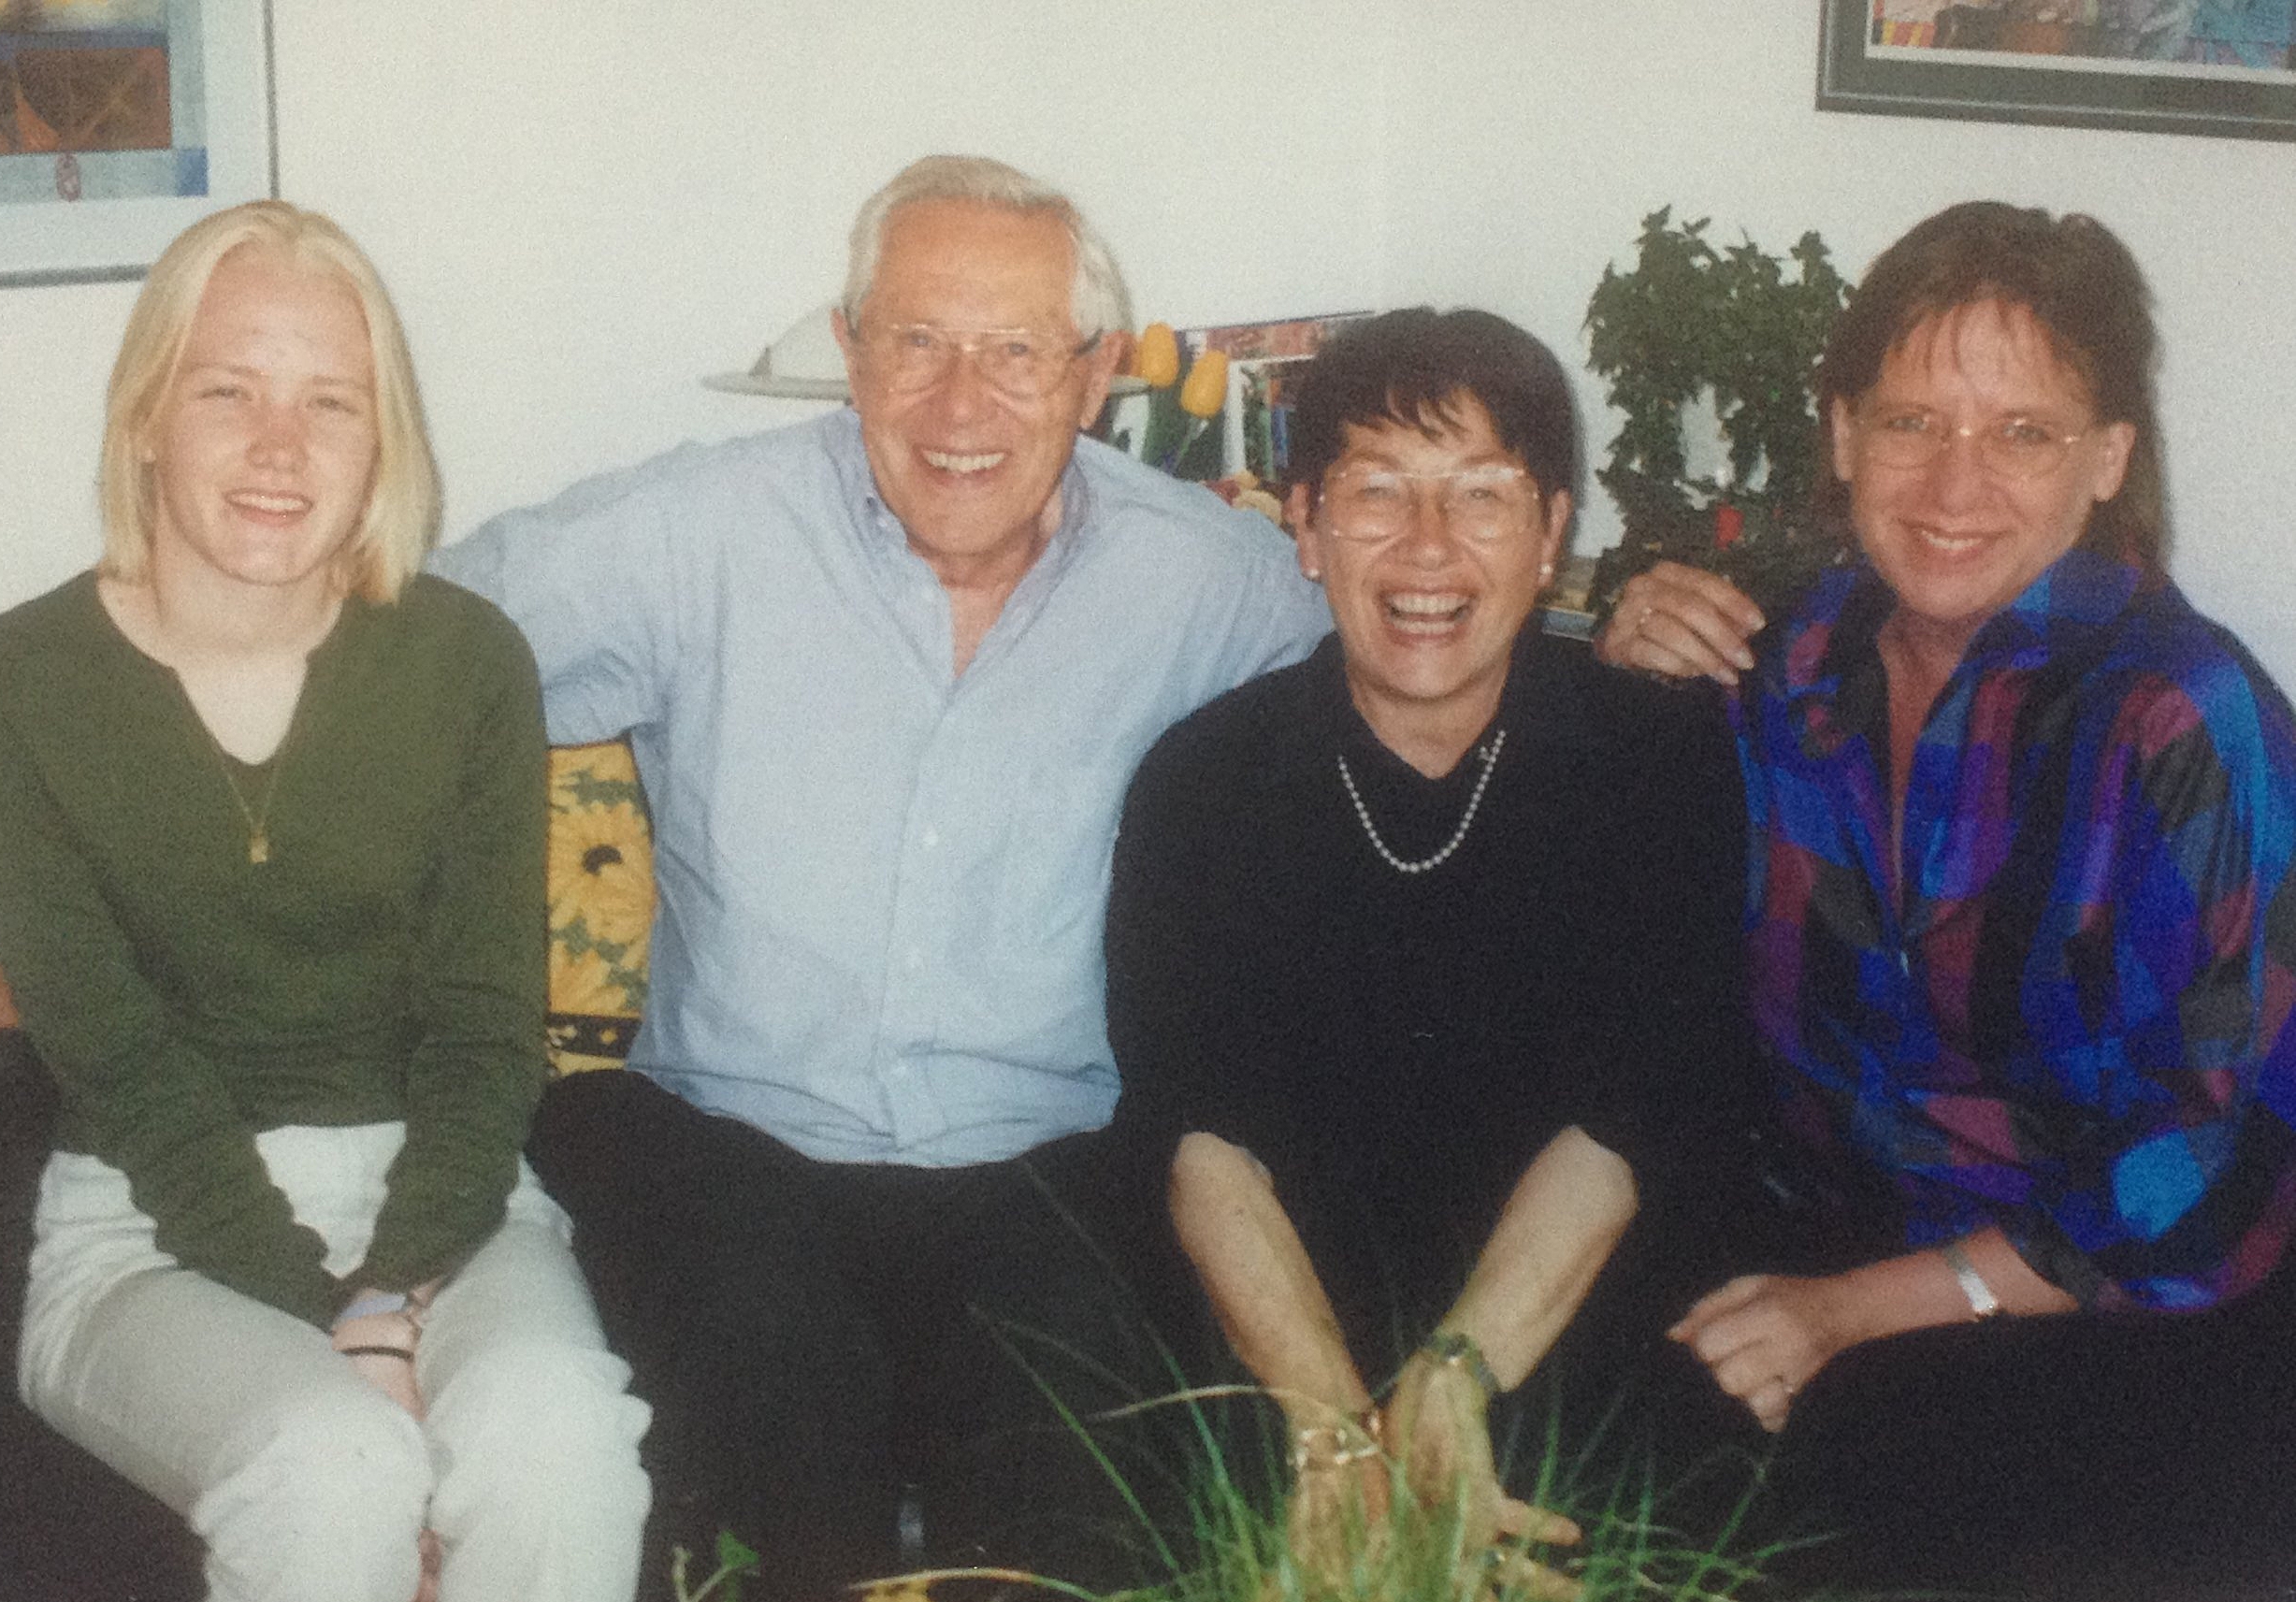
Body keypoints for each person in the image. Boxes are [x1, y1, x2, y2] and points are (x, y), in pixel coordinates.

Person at [430, 154, 1331, 1596]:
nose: (958, 404)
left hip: (1056, 1151)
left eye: (1015, 351)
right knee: (784, 1440)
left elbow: (1425, 673)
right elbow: (412, 650)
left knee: (1075, 1475)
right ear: (848, 352)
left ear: (1094, 374)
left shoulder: (1207, 580)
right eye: (914, 342)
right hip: (734, 1141)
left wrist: (1637, 640)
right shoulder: (700, 534)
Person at [0, 202, 650, 1602]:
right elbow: (123, 1067)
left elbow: (480, 1025)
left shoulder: (465, 663)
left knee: (560, 1439)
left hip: (452, 1201)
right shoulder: (10, 687)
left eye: (331, 401)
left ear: (380, 441)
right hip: (148, 1228)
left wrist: (392, 1298)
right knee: (332, 1464)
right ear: (148, 415)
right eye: (229, 390)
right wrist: (339, 1324)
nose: (282, 447)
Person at [1599, 202, 2296, 1590]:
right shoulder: (1789, 656)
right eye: (1910, 421)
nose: (1952, 483)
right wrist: (1621, 650)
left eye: (2021, 433)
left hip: (2117, 1307)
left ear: (2107, 461)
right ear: (1844, 434)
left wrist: (1849, 1314)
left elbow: (2204, 1173)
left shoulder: (2184, 719)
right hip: (1818, 1235)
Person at [1105, 309, 1758, 1590]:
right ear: (1302, 525)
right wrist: (1338, 1432)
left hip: (1564, 1313)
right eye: (1376, 492)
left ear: (1554, 533)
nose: (1428, 550)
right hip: (1281, 1330)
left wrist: (1453, 1385)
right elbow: (1199, 1140)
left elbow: (1636, 1116)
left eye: (1483, 496)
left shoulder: (1659, 763)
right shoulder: (1207, 781)